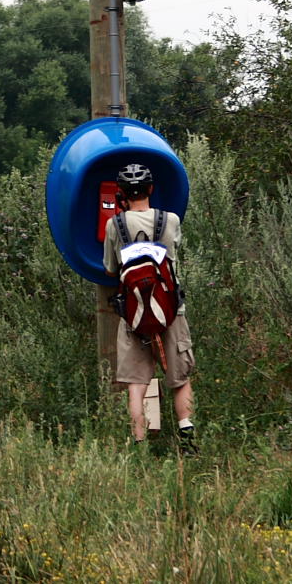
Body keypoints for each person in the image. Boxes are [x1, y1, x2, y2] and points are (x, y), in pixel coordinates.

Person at [103, 163, 197, 454]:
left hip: (134, 314)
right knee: (180, 379)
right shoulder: (170, 220)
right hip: (170, 311)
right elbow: (174, 253)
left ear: (121, 193)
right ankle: (188, 441)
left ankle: (139, 445)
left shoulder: (114, 225)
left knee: (136, 383)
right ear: (151, 189)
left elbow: (110, 269)